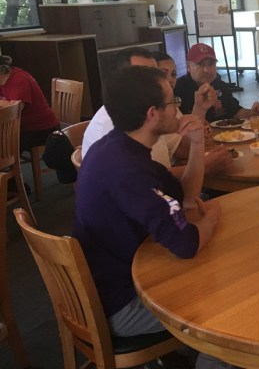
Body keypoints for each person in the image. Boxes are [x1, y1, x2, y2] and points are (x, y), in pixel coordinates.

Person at [73, 66, 232, 368]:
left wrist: (197, 145)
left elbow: (184, 194)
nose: (178, 108)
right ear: (152, 114)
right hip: (121, 304)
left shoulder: (116, 147)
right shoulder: (128, 172)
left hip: (112, 279)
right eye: (173, 102)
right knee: (226, 310)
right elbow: (187, 244)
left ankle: (186, 347)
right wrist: (212, 214)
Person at [83, 47, 232, 177]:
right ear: (124, 79)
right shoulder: (116, 126)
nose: (163, 80)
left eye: (156, 73)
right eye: (144, 75)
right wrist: (204, 166)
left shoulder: (154, 107)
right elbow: (151, 177)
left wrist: (199, 109)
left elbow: (182, 149)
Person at [175, 43, 259, 122]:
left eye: (211, 64)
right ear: (188, 66)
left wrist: (253, 112)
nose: (207, 70)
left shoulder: (220, 85)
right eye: (200, 64)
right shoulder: (177, 89)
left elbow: (235, 112)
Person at [0, 55, 59, 151]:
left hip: (41, 129)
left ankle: (9, 164)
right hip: (20, 128)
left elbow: (15, 111)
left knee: (4, 142)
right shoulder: (3, 80)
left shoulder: (19, 79)